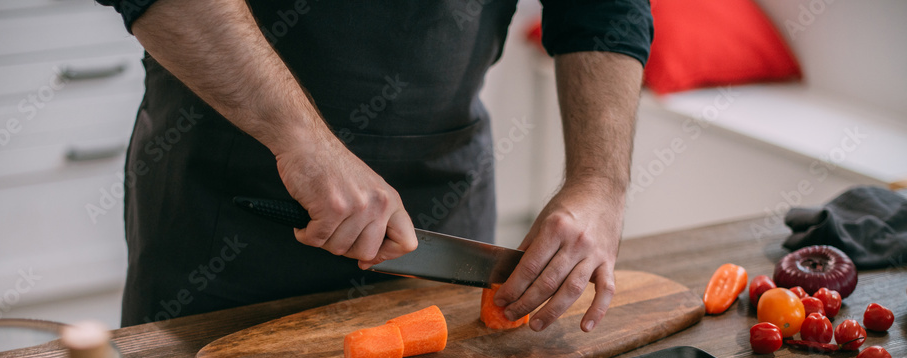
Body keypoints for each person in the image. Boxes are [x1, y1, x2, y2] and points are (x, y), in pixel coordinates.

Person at [99, 0, 653, 331]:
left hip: (444, 201)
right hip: (227, 202)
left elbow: (601, 8)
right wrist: (302, 143)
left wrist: (601, 182)